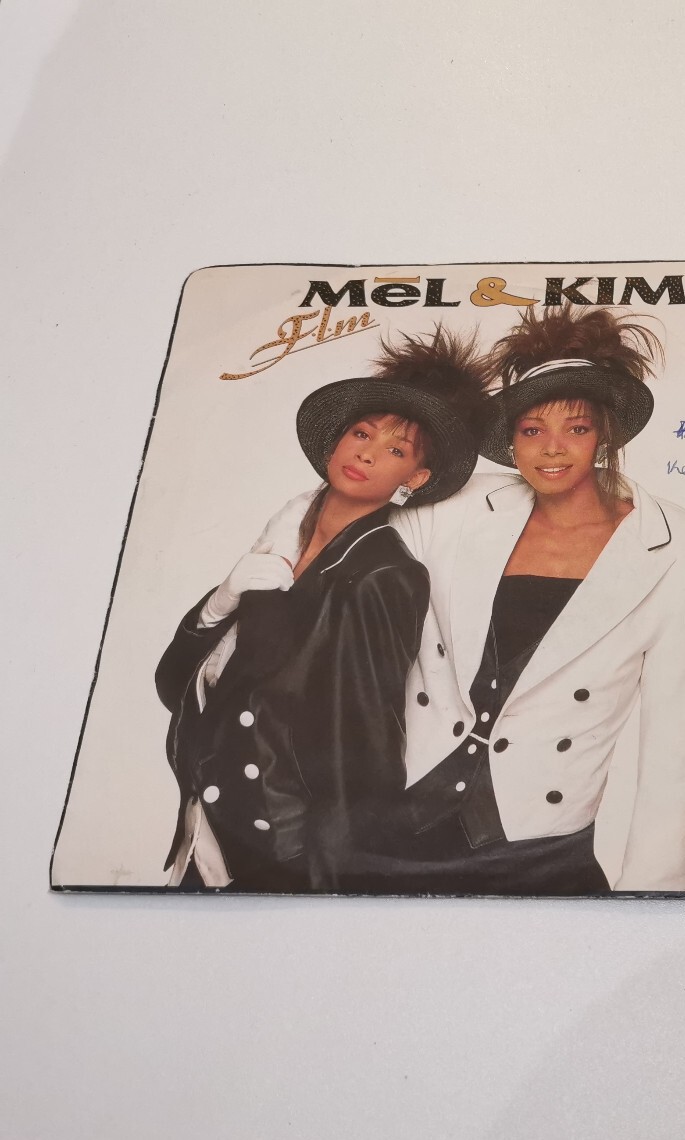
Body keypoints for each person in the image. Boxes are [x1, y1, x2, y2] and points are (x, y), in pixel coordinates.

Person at [382, 304, 685, 893]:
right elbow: (344, 548)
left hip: (537, 844)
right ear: (511, 440)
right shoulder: (455, 508)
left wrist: (652, 906)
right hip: (399, 820)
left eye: (576, 428)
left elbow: (680, 752)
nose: (552, 449)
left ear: (606, 434)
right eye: (532, 430)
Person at [155, 329, 492, 892]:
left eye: (396, 450)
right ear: (338, 440)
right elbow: (174, 687)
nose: (367, 453)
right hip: (206, 828)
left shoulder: (386, 575)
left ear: (414, 480)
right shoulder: (280, 542)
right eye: (362, 433)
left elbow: (363, 753)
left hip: (282, 855)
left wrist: (336, 889)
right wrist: (220, 602)